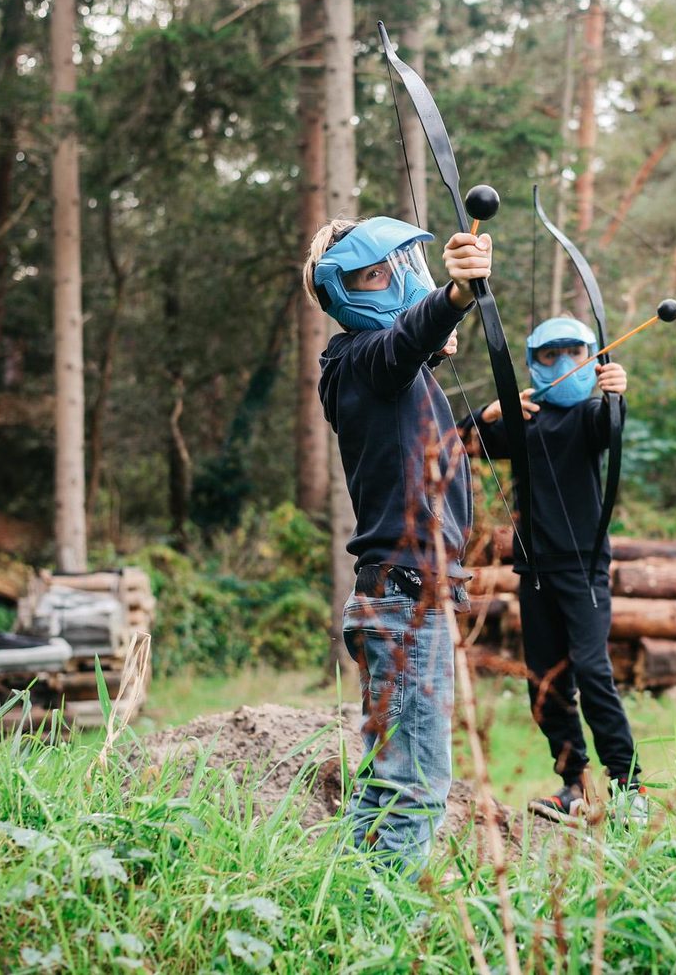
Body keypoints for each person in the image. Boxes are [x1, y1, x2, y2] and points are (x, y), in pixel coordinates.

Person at [304, 214, 491, 872]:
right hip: (403, 601)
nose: (393, 282)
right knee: (413, 789)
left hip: (406, 598)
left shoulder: (395, 376)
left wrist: (481, 428)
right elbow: (395, 347)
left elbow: (424, 456)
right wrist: (454, 298)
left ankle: (355, 918)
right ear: (343, 292)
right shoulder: (355, 361)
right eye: (372, 274)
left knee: (392, 781)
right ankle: (387, 932)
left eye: (397, 267)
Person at [460, 316, 645, 825]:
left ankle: (630, 788)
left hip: (583, 568)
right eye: (549, 355)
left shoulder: (589, 416)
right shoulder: (526, 421)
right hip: (534, 570)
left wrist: (614, 394)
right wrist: (490, 413)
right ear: (531, 362)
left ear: (592, 357)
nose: (563, 364)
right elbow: (460, 445)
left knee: (591, 670)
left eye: (575, 353)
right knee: (544, 680)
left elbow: (609, 427)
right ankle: (573, 786)